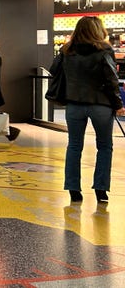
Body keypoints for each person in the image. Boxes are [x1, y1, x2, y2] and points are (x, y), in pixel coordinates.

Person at [52, 17, 124, 203]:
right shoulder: (104, 50)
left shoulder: (67, 50)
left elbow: (53, 70)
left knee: (74, 146)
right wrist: (118, 104)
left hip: (74, 105)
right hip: (100, 105)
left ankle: (73, 189)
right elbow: (111, 79)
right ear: (98, 29)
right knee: (105, 146)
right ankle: (101, 190)